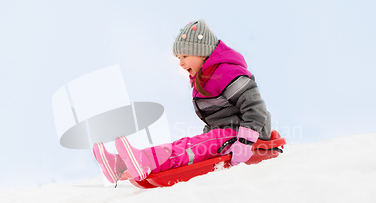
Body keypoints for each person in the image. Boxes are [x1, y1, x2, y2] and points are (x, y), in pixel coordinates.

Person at [93, 19, 271, 183]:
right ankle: (120, 164)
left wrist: (245, 142)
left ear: (201, 53)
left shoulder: (228, 73)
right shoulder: (205, 79)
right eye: (178, 58)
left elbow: (256, 108)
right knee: (186, 143)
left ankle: (146, 161)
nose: (180, 63)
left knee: (194, 147)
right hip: (226, 133)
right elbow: (218, 117)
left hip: (243, 136)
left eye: (185, 56)